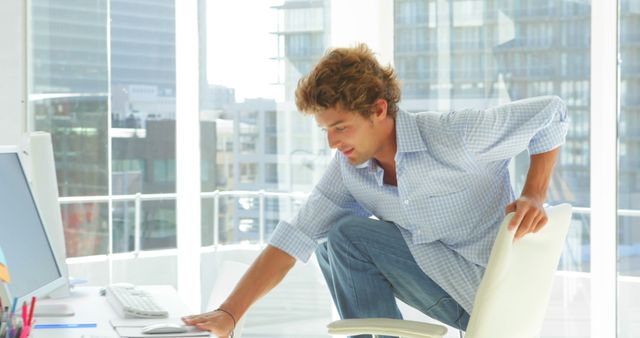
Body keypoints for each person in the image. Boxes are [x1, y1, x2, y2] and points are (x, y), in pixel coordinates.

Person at [182, 43, 568, 338]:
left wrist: (534, 192)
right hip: (449, 290)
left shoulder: (454, 136)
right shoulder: (350, 172)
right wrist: (230, 313)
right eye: (326, 130)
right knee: (327, 242)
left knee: (346, 235)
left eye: (341, 127)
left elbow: (551, 113)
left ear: (379, 110)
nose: (332, 142)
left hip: (493, 293)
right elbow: (295, 236)